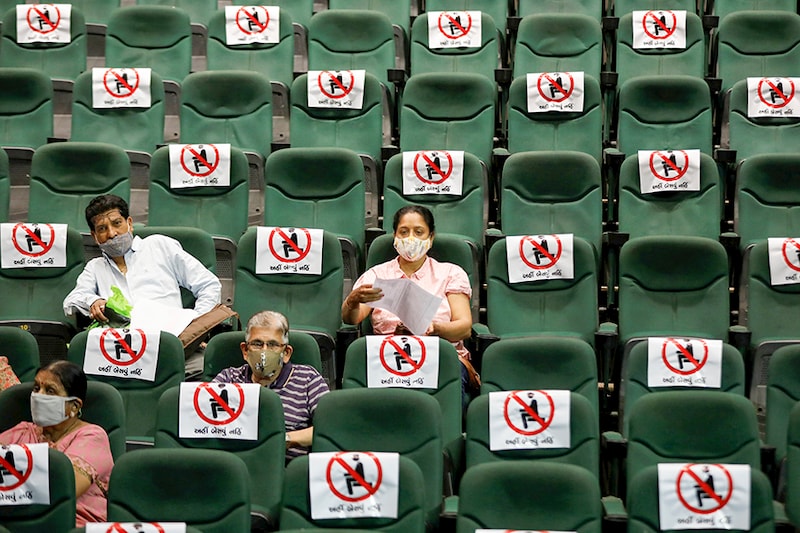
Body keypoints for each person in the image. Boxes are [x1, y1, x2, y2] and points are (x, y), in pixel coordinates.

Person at [62, 194, 222, 375]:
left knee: (204, 375)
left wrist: (195, 326)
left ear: (129, 223)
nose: (112, 234)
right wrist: (92, 301)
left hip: (171, 346)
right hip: (122, 358)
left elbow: (209, 285)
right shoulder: (95, 268)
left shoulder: (159, 246)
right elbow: (71, 301)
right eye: (102, 228)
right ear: (94, 236)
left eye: (117, 224)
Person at [342, 205, 475, 400]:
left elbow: (464, 328)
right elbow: (352, 318)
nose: (411, 238)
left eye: (419, 232)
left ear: (431, 238)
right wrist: (351, 302)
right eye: (404, 232)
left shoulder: (450, 273)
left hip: (438, 357)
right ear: (395, 236)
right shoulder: (378, 274)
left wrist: (434, 328)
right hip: (387, 357)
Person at [0, 361, 113, 526]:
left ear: (74, 406)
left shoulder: (92, 437)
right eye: (36, 388)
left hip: (71, 523)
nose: (39, 396)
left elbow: (64, 489)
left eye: (50, 391)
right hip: (14, 521)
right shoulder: (24, 431)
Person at [212, 311, 329, 461]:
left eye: (273, 345)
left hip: (286, 465)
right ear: (245, 351)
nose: (264, 352)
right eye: (257, 344)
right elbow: (205, 422)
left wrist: (280, 440)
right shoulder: (228, 378)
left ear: (286, 352)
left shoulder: (308, 378)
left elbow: (329, 426)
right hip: (234, 463)